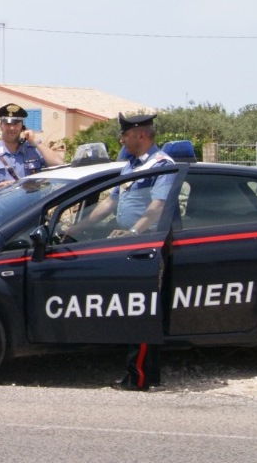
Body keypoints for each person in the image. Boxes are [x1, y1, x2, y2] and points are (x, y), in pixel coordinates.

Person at [67, 111, 175, 391]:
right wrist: (77, 228)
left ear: (140, 134)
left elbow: (157, 207)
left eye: (125, 134)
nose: (122, 139)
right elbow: (110, 203)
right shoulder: (130, 165)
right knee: (137, 312)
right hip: (130, 243)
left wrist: (134, 233)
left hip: (147, 245)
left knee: (140, 314)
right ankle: (146, 375)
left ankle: (138, 377)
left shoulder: (161, 164)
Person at [0, 103, 57, 200]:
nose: (12, 128)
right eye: (7, 124)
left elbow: (58, 163)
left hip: (30, 211)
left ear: (22, 127)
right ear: (1, 126)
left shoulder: (34, 151)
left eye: (16, 124)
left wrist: (35, 141)